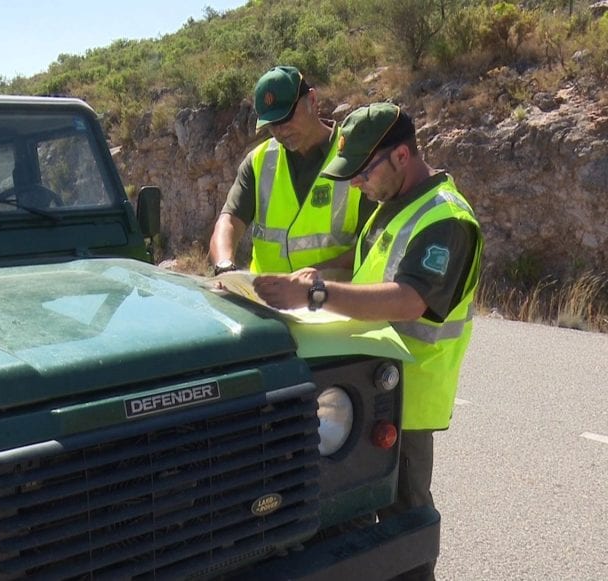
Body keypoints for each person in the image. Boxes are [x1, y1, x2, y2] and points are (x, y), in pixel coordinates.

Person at [252, 102, 483, 580]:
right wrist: (321, 275)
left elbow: (408, 299)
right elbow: (368, 277)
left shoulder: (447, 219)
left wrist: (317, 293)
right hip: (363, 387)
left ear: (401, 156)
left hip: (408, 397)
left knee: (405, 524)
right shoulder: (391, 207)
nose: (355, 184)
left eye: (362, 172)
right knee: (349, 521)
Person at [208, 65, 376, 276]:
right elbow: (228, 222)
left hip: (332, 302)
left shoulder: (358, 158)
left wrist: (308, 277)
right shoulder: (259, 161)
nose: (280, 130)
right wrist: (224, 265)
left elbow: (373, 242)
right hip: (264, 302)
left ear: (312, 101)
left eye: (286, 118)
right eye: (272, 124)